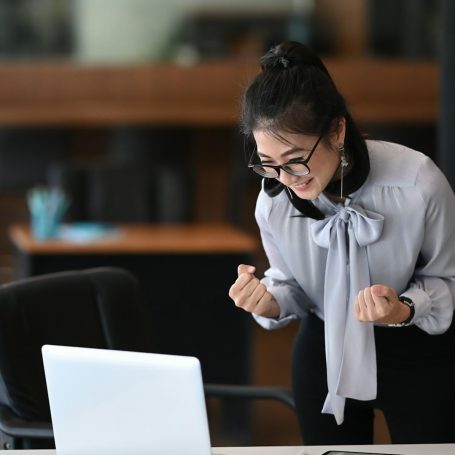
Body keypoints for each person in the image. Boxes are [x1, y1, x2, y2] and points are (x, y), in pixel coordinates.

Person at [228, 41, 455, 445]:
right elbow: (289, 282)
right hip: (324, 350)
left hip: (418, 350)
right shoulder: (274, 201)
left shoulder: (417, 183)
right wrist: (268, 301)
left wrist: (402, 308)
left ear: (337, 130)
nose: (286, 178)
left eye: (296, 159)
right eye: (268, 163)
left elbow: (448, 280)